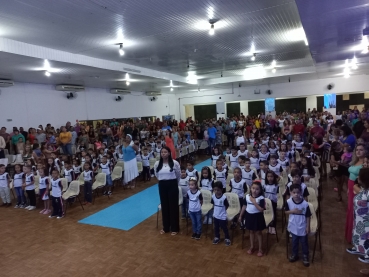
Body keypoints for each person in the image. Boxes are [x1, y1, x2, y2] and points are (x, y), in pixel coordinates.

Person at [154, 146, 181, 235]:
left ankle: (174, 228)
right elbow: (156, 174)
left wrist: (173, 182)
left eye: (165, 152)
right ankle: (166, 227)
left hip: (172, 184)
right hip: (162, 185)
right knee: (164, 206)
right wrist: (163, 180)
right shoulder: (157, 163)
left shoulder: (174, 163)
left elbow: (178, 174)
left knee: (173, 206)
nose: (163, 154)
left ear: (169, 153)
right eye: (162, 152)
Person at [285, 183, 312, 267]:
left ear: (301, 193)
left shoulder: (305, 204)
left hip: (302, 225)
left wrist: (308, 226)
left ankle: (305, 256)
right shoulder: (288, 202)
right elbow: (286, 212)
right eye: (294, 192)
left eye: (298, 192)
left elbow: (308, 216)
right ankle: (294, 254)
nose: (296, 194)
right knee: (294, 241)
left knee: (304, 242)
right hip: (293, 225)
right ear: (291, 193)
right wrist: (293, 211)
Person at [346, 144, 367, 243]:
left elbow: (364, 180)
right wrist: (348, 189)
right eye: (357, 150)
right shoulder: (355, 161)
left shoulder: (366, 163)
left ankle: (355, 238)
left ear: (365, 151)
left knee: (354, 211)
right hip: (350, 187)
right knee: (350, 209)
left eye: (361, 150)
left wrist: (355, 188)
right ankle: (350, 236)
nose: (358, 152)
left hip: (357, 188)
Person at [239, 181, 266, 256]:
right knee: (251, 232)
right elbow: (244, 206)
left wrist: (254, 202)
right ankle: (252, 246)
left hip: (257, 217)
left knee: (258, 233)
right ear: (250, 188)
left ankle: (260, 249)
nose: (254, 190)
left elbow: (261, 209)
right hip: (249, 216)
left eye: (257, 189)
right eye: (253, 188)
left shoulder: (261, 198)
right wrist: (241, 215)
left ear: (260, 190)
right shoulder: (247, 196)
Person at [211, 181, 231, 246]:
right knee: (216, 227)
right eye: (215, 190)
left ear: (222, 190)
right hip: (215, 215)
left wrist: (222, 212)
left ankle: (227, 238)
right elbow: (213, 204)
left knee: (224, 227)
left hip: (222, 216)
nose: (216, 191)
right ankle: (217, 237)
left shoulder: (224, 198)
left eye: (218, 190)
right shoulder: (213, 196)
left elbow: (227, 206)